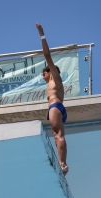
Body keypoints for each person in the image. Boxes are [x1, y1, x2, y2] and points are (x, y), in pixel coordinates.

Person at [36, 23, 68, 175]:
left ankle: (63, 163)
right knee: (56, 137)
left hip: (55, 106)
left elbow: (47, 55)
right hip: (54, 108)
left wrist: (42, 34)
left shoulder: (55, 77)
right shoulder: (50, 84)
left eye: (44, 73)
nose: (43, 76)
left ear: (50, 71)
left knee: (58, 135)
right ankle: (61, 162)